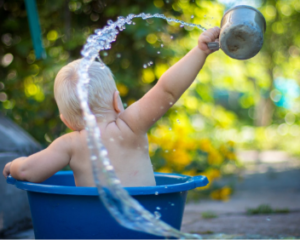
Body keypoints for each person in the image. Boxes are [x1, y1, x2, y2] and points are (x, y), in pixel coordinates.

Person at [3, 27, 220, 187]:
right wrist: (200, 51)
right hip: (144, 221)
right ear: (117, 101)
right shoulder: (130, 126)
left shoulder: (69, 144)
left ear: (66, 121)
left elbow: (27, 171)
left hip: (94, 228)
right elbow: (167, 90)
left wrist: (12, 165)